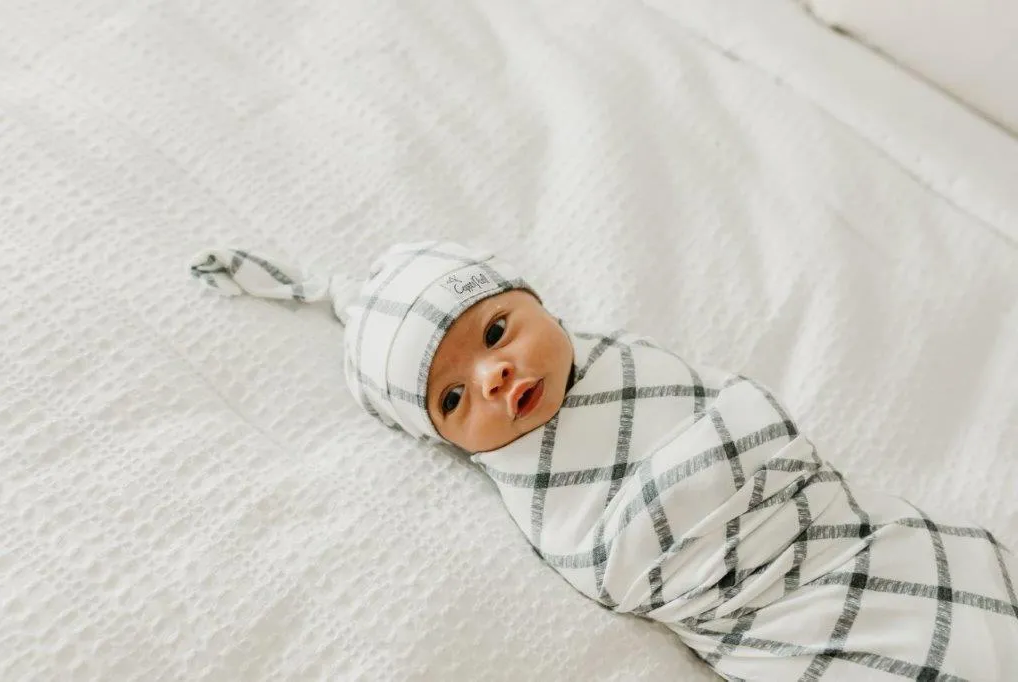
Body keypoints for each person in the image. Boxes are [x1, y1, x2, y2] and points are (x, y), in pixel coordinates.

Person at [191, 240, 1018, 681]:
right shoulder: (533, 483)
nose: (495, 374)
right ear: (443, 441)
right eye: (451, 399)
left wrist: (735, 444)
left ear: (535, 300)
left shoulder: (628, 364)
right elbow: (615, 566)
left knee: (971, 596)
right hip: (765, 608)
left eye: (494, 332)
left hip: (833, 531)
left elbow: (744, 417)